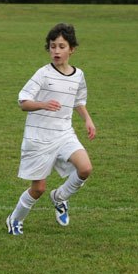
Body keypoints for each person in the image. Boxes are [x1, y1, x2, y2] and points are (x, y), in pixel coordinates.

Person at [6, 23, 96, 235]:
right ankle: (14, 219)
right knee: (38, 189)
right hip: (39, 136)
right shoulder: (43, 74)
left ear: (71, 49)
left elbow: (78, 101)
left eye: (61, 46)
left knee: (85, 168)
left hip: (64, 133)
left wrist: (87, 120)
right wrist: (43, 104)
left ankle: (60, 197)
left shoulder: (78, 75)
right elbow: (23, 102)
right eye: (52, 46)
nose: (56, 51)